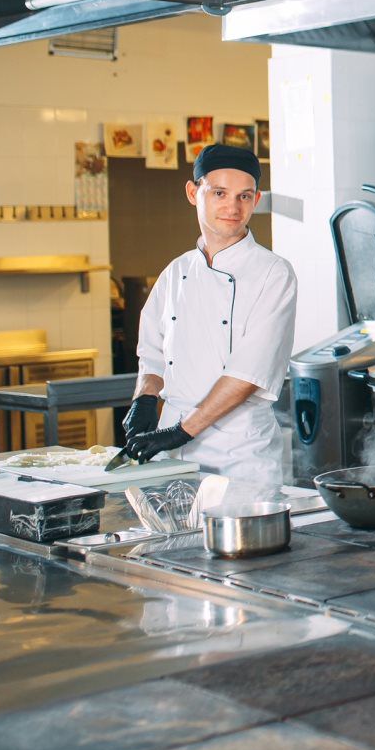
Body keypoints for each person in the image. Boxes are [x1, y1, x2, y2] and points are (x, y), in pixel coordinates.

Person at [121, 145, 299, 504]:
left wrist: (180, 431)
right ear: (193, 193)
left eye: (244, 196)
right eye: (219, 193)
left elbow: (247, 375)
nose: (233, 207)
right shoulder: (176, 272)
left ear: (256, 200)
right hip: (172, 459)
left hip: (239, 459)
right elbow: (152, 354)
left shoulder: (273, 273)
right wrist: (145, 398)